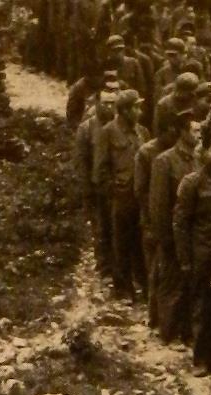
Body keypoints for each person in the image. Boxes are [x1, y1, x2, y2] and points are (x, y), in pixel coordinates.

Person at [173, 130, 211, 375]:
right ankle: (200, 358)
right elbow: (181, 222)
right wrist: (185, 259)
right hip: (201, 254)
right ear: (204, 152)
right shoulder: (192, 182)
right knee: (201, 306)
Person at [150, 111, 201, 344]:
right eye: (195, 130)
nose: (199, 135)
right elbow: (159, 204)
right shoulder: (165, 161)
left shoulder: (199, 159)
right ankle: (167, 331)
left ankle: (185, 330)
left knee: (189, 284)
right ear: (183, 132)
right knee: (170, 282)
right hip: (172, 232)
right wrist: (165, 237)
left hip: (192, 234)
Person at [95, 89, 151, 301]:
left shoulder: (142, 132)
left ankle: (144, 286)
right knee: (121, 242)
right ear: (125, 111)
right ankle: (122, 288)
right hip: (121, 196)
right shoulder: (108, 132)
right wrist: (114, 192)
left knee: (140, 241)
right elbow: (100, 169)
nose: (139, 111)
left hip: (140, 195)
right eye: (136, 107)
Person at [134, 114, 180, 328]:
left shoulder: (178, 154)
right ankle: (154, 316)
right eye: (172, 130)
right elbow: (141, 191)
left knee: (165, 272)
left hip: (170, 222)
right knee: (155, 269)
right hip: (153, 220)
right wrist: (152, 220)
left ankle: (164, 317)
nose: (175, 135)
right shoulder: (148, 153)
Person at [75, 89, 117, 277]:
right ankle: (104, 264)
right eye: (106, 103)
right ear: (97, 103)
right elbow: (82, 161)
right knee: (101, 226)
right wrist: (86, 190)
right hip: (96, 185)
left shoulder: (119, 127)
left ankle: (117, 265)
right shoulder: (86, 128)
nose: (109, 107)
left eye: (112, 103)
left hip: (116, 186)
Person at [154, 72, 199, 137]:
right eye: (188, 93)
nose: (192, 95)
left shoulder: (194, 101)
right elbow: (157, 130)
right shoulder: (164, 104)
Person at [154, 38, 187, 104]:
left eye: (174, 55)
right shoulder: (161, 73)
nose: (171, 58)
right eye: (169, 55)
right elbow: (157, 97)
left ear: (182, 54)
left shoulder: (189, 69)